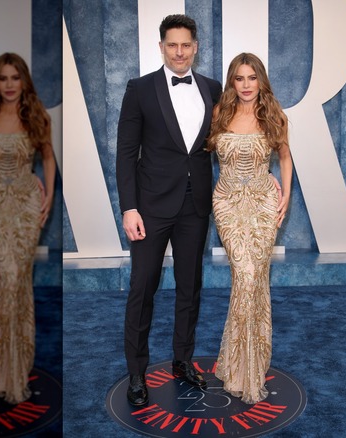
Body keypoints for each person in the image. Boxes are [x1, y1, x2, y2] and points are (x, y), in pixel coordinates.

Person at [115, 14, 222, 406]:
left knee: (189, 288)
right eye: (172, 45)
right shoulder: (140, 89)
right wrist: (129, 207)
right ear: (161, 47)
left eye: (186, 45)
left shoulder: (213, 88)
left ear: (196, 47)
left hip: (196, 205)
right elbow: (126, 153)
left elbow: (230, 140)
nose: (179, 52)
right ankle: (137, 373)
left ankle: (182, 361)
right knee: (143, 288)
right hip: (150, 207)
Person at [208, 53, 292, 404]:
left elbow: (285, 157)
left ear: (261, 81)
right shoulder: (220, 113)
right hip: (227, 203)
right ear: (233, 81)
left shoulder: (274, 115)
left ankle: (246, 367)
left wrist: (284, 194)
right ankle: (237, 362)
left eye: (252, 78)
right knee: (244, 274)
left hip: (263, 205)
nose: (246, 85)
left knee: (254, 278)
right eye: (240, 78)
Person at [0, 53, 55, 404]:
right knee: (7, 274)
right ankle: (1, 362)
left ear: (24, 81)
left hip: (25, 204)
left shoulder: (37, 115)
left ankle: (7, 365)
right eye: (3, 78)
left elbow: (48, 158)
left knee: (17, 277)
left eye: (15, 78)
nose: (9, 85)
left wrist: (48, 194)